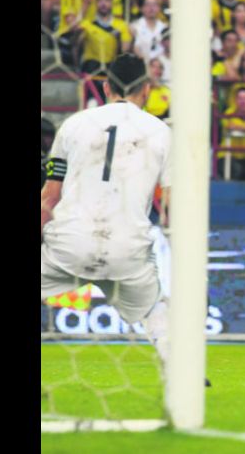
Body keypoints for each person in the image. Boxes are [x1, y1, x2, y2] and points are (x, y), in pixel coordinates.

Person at [41, 54, 175, 384]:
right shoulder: (161, 132)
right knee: (153, 307)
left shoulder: (72, 125)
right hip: (127, 250)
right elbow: (172, 203)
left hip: (69, 242)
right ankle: (179, 366)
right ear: (146, 89)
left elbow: (50, 196)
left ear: (105, 87)